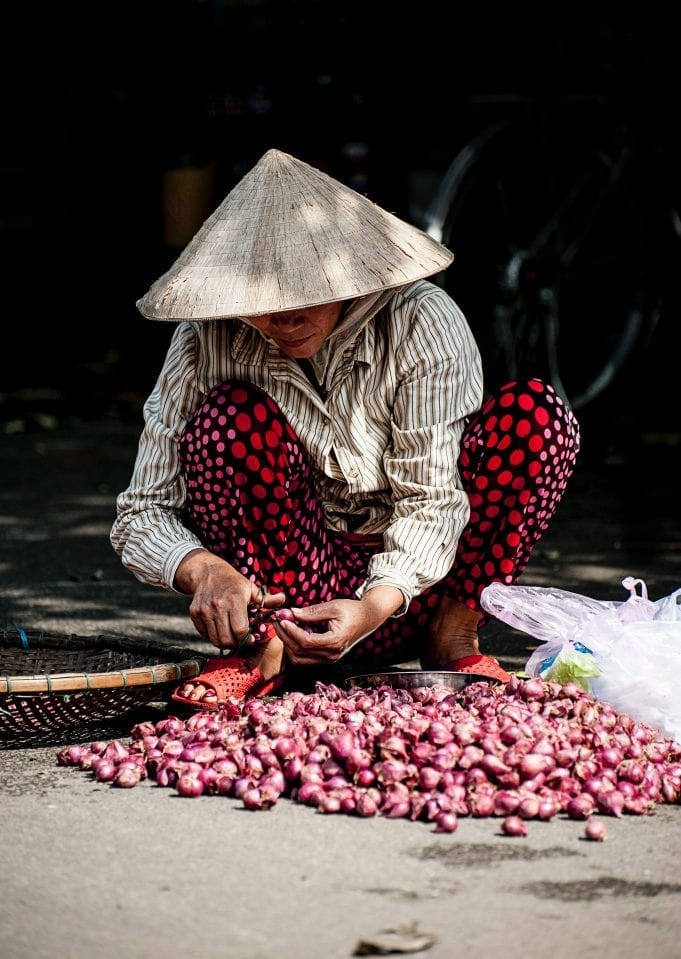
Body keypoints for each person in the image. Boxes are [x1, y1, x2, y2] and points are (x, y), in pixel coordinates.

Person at [111, 148, 581, 710]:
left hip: (421, 592)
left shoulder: (420, 320)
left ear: (350, 277)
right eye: (262, 302)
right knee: (230, 418)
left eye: (306, 295)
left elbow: (432, 500)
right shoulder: (203, 339)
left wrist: (374, 605)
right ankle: (261, 653)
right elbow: (142, 511)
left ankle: (453, 638)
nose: (284, 320)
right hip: (291, 598)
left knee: (537, 416)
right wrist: (204, 570)